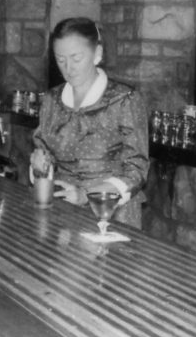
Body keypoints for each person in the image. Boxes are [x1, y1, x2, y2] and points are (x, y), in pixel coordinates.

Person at [30, 17, 149, 228]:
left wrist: (86, 195)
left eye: (76, 58)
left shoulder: (124, 100)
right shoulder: (51, 100)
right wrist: (40, 165)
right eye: (60, 59)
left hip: (112, 213)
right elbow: (45, 155)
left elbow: (136, 169)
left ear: (98, 54)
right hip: (63, 209)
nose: (68, 68)